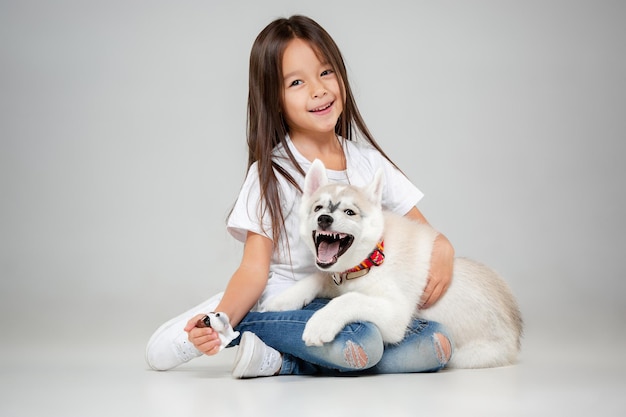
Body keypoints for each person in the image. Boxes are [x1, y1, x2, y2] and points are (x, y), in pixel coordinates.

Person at [146, 15, 455, 378]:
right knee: (363, 340)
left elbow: (425, 236)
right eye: (296, 82)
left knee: (434, 344)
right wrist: (224, 317)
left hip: (346, 299)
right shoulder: (272, 172)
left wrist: (445, 249)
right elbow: (253, 268)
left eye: (325, 73)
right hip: (288, 306)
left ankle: (284, 360)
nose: (318, 90)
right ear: (274, 100)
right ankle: (235, 326)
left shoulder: (368, 163)